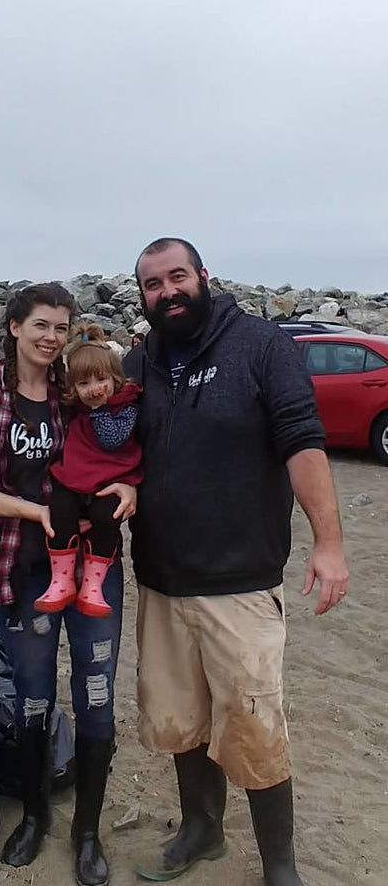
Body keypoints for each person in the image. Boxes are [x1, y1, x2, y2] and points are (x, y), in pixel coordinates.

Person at [123, 238, 350, 886]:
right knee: (178, 720)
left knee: (252, 727)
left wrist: (328, 543)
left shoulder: (259, 345)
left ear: (202, 276)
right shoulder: (140, 363)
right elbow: (109, 449)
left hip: (240, 585)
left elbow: (302, 441)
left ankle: (279, 865)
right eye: (151, 284)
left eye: (175, 276)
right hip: (161, 583)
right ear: (141, 295)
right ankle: (201, 830)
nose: (165, 291)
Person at [0, 282, 136, 886]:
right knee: (32, 695)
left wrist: (135, 488)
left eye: (61, 326)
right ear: (14, 327)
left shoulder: (74, 391)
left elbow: (130, 442)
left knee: (95, 694)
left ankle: (87, 832)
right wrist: (34, 512)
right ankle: (34, 817)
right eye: (40, 326)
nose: (51, 338)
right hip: (19, 570)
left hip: (94, 572)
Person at [35, 324, 142, 618]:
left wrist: (97, 409)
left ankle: (93, 584)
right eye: (84, 384)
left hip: (111, 476)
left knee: (105, 518)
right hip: (78, 474)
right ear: (73, 388)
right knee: (60, 509)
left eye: (101, 380)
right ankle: (62, 579)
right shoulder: (76, 408)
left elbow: (112, 439)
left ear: (114, 379)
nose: (94, 389)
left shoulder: (126, 406)